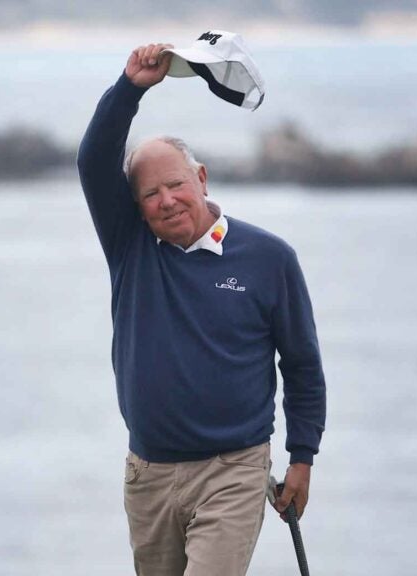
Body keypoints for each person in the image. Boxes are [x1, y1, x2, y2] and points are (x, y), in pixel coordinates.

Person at [77, 42, 327, 576]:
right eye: (150, 194)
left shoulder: (269, 258)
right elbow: (94, 159)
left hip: (232, 470)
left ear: (202, 179)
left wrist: (302, 456)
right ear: (136, 208)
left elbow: (302, 366)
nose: (166, 200)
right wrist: (131, 87)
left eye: (175, 185)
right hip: (148, 474)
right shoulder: (131, 247)